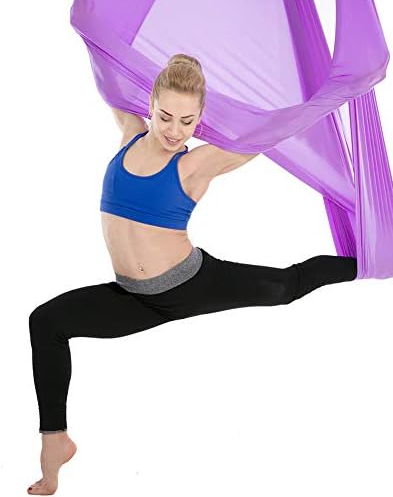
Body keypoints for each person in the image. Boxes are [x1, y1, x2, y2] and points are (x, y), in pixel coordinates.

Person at [27, 53, 357, 495]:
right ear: (150, 104)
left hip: (189, 285)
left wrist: (333, 96)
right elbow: (107, 78)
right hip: (133, 298)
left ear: (200, 119)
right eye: (165, 116)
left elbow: (271, 134)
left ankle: (365, 263)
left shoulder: (196, 165)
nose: (173, 130)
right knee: (46, 321)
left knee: (284, 286)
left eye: (187, 121)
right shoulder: (129, 134)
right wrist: (86, 28)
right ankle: (55, 441)